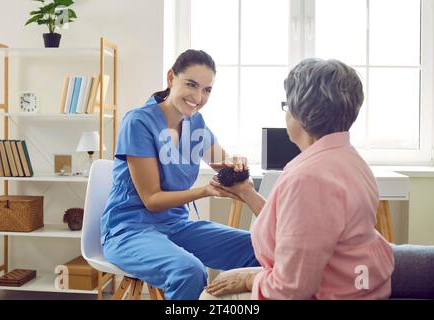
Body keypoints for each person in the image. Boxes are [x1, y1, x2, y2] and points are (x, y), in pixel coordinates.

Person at [202, 58, 394, 300]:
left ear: (302, 114)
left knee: (211, 296)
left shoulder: (309, 178)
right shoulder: (350, 160)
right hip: (352, 283)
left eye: (287, 106)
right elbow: (299, 229)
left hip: (331, 291)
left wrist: (249, 280)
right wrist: (247, 193)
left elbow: (292, 288)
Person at [101, 49, 259, 300]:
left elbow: (222, 162)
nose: (198, 97)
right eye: (191, 85)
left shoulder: (196, 123)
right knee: (189, 272)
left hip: (177, 226)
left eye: (207, 90)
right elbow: (152, 200)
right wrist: (206, 190)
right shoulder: (139, 122)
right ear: (171, 77)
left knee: (260, 247)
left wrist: (236, 163)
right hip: (130, 230)